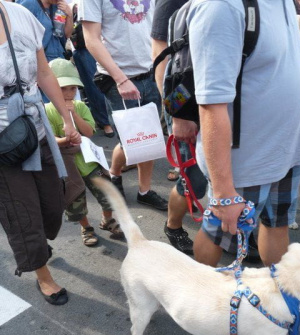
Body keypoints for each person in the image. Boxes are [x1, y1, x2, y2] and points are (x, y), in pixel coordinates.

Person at [180, 0, 300, 320]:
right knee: (219, 232)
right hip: (245, 159)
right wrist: (223, 190)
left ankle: (280, 297)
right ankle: (193, 295)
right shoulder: (223, 6)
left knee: (277, 223)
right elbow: (211, 105)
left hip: (286, 149)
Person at [0, 0, 80, 305]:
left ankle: (38, 242)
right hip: (3, 147)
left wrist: (67, 118)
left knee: (52, 203)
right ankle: (43, 275)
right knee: (23, 214)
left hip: (37, 129)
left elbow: (44, 72)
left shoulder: (20, 15)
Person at [80, 0, 168, 211]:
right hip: (118, 79)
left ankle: (144, 191)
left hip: (151, 73)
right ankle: (115, 174)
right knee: (130, 140)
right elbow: (91, 39)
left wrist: (163, 71)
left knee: (149, 138)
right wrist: (120, 79)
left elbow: (158, 32)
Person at [46, 58, 124, 247]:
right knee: (75, 200)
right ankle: (86, 227)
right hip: (67, 165)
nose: (68, 93)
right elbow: (48, 139)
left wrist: (73, 114)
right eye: (62, 88)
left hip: (89, 161)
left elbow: (89, 131)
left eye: (72, 88)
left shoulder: (80, 106)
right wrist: (65, 140)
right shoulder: (46, 110)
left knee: (106, 192)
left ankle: (107, 220)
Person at [151, 0, 207, 253]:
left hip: (220, 101)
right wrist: (175, 112)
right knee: (193, 178)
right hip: (187, 102)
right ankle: (173, 226)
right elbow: (161, 53)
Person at [70, 0, 114, 138]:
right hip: (84, 45)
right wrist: (72, 9)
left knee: (110, 82)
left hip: (108, 42)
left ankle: (110, 119)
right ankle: (105, 122)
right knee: (94, 85)